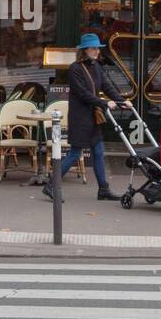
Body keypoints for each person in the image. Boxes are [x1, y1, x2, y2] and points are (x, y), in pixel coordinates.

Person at [44, 32, 131, 202]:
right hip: (80, 118)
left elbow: (107, 86)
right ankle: (50, 185)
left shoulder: (96, 66)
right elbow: (83, 94)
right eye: (93, 49)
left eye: (98, 48)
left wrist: (122, 101)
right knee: (75, 154)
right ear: (84, 50)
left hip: (92, 117)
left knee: (98, 152)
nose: (97, 51)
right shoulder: (75, 69)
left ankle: (103, 189)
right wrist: (105, 103)